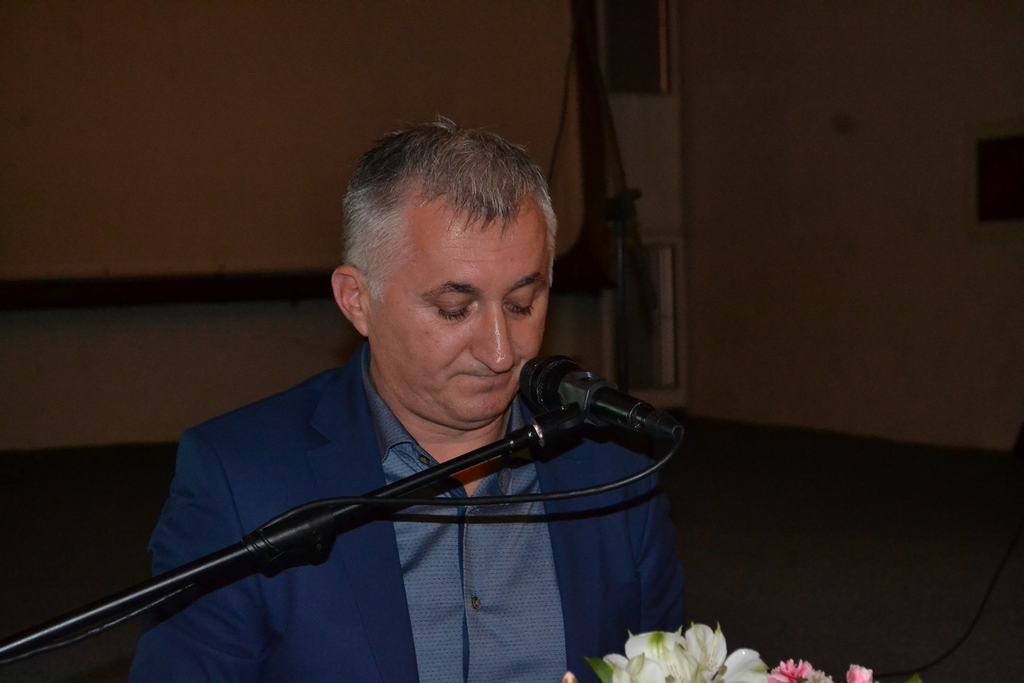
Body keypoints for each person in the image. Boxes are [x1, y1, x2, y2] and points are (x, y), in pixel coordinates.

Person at [130, 119, 684, 682]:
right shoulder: (240, 481)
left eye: (521, 304)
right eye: (453, 310)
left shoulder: (615, 469)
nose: (500, 352)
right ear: (357, 300)